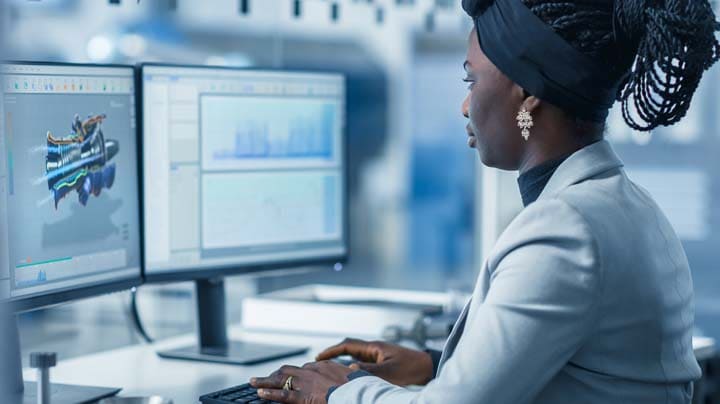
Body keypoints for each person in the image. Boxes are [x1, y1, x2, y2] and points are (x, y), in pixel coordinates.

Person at [250, 0, 720, 402]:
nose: (464, 107)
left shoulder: (567, 230)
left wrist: (335, 392)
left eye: (470, 81)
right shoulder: (629, 208)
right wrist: (433, 366)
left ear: (528, 94)